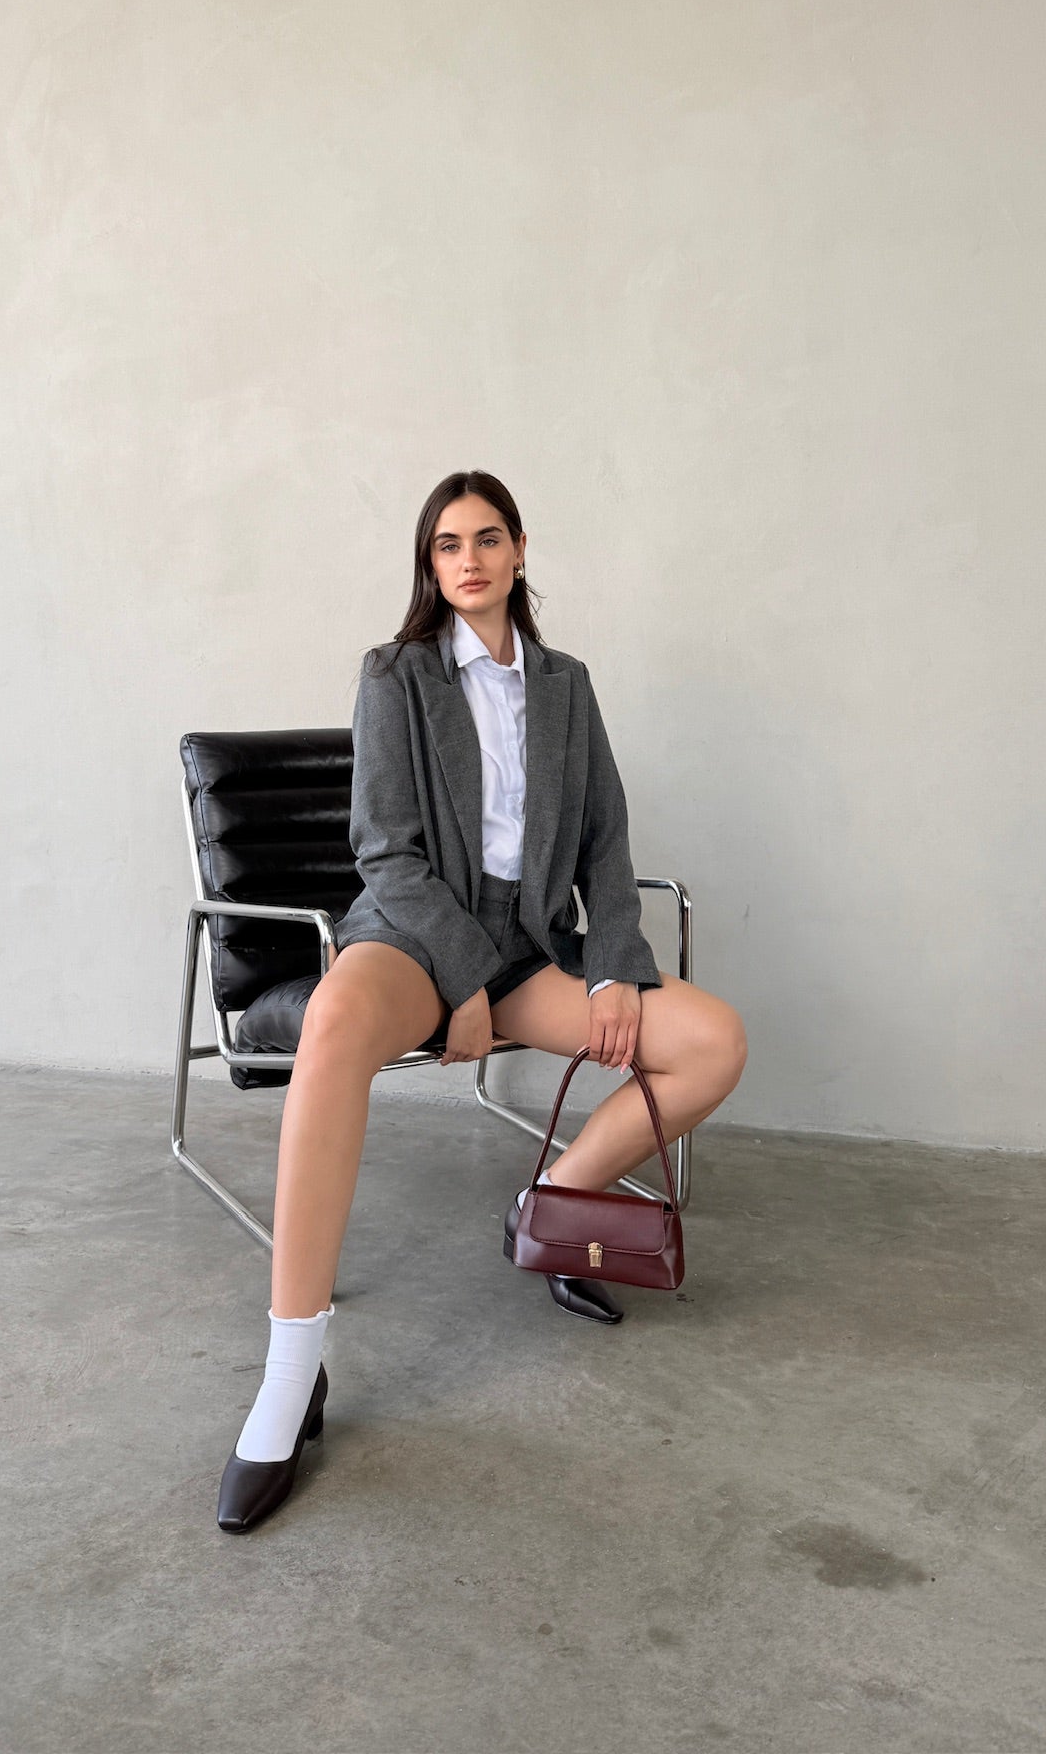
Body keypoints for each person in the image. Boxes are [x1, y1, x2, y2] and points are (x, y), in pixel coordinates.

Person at [217, 469, 748, 1531]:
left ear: (519, 551)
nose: (469, 559)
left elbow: (605, 842)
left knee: (712, 1041)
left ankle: (550, 1200)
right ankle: (292, 1367)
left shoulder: (566, 686)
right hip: (414, 934)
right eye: (448, 544)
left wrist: (612, 968)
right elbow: (384, 850)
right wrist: (460, 977)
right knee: (333, 1023)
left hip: (530, 944)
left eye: (488, 538)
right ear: (430, 563)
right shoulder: (396, 675)